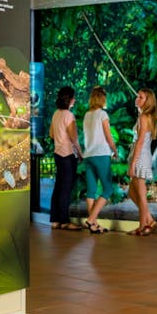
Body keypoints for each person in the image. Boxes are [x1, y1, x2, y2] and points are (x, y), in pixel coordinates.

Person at [81, 85, 116, 234]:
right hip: (101, 154)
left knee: (91, 191)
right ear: (102, 99)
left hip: (88, 155)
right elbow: (108, 136)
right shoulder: (102, 114)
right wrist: (114, 150)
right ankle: (91, 220)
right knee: (107, 189)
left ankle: (93, 224)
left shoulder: (87, 115)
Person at [48, 86, 82, 230]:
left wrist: (60, 138)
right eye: (73, 97)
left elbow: (51, 134)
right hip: (68, 155)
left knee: (58, 186)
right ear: (69, 99)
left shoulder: (56, 114)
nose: (74, 99)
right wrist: (80, 154)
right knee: (66, 189)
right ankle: (64, 222)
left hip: (58, 154)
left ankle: (55, 220)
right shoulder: (69, 116)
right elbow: (74, 139)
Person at [127, 88, 157, 236]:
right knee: (132, 192)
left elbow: (140, 141)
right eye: (137, 96)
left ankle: (142, 226)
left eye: (141, 97)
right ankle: (149, 221)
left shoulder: (144, 117)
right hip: (140, 154)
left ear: (148, 101)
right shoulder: (145, 117)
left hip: (140, 156)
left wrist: (133, 164)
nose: (137, 99)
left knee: (140, 194)